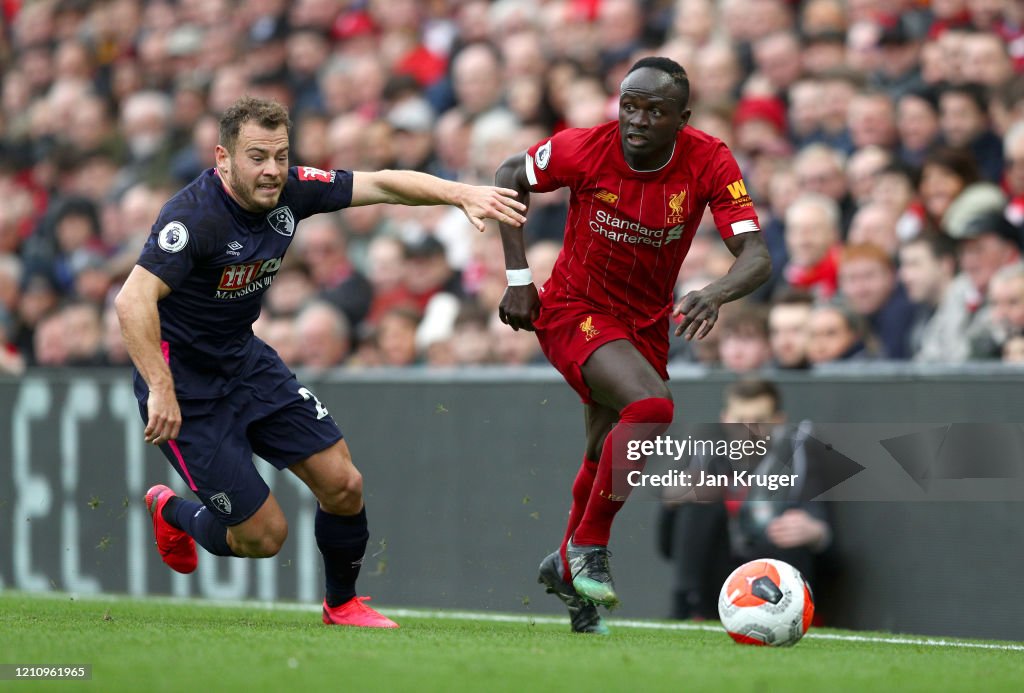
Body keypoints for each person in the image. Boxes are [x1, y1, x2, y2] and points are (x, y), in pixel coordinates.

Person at [115, 96, 526, 629]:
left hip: (244, 361)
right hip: (183, 384)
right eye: (257, 157)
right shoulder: (193, 218)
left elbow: (381, 184)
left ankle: (342, 604)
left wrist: (459, 192)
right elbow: (132, 301)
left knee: (343, 483)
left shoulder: (293, 189)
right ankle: (174, 511)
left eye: (281, 156)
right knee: (263, 538)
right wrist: (161, 388)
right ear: (223, 158)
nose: (272, 171)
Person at [494, 57, 771, 634]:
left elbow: (757, 256)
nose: (637, 120)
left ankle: (567, 567)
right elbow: (507, 175)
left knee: (603, 451)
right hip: (574, 310)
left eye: (654, 110)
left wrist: (716, 293)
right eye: (629, 105)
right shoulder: (584, 148)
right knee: (653, 408)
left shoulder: (710, 159)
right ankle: (588, 548)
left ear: (681, 118)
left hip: (643, 325)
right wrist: (520, 279)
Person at [659, 378, 835, 620]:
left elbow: (824, 533)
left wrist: (814, 531)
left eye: (759, 421)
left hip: (770, 573)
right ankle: (689, 607)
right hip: (716, 573)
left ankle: (789, 615)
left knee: (790, 530)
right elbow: (666, 547)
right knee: (698, 503)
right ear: (725, 418)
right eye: (740, 420)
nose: (749, 431)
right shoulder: (705, 451)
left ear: (778, 420)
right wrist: (672, 502)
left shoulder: (797, 454)